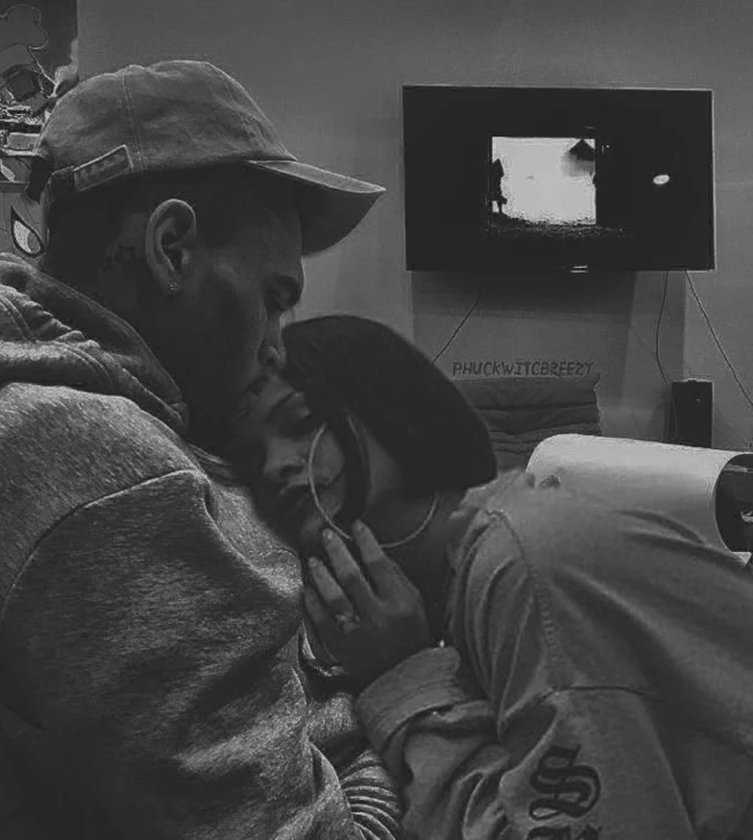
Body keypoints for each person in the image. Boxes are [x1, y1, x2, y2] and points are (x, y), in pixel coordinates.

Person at [0, 60, 391, 839]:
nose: (278, 347)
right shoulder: (101, 470)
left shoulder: (54, 407)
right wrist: (398, 709)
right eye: (273, 300)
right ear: (171, 248)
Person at [231, 314, 753, 840]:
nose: (275, 465)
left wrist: (402, 680)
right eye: (251, 458)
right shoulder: (446, 590)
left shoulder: (520, 563)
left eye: (301, 423)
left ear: (387, 406)